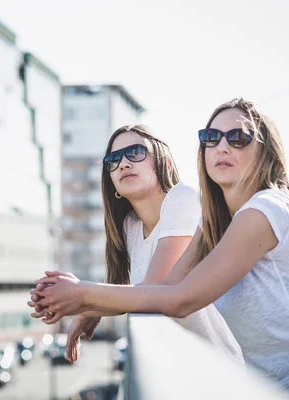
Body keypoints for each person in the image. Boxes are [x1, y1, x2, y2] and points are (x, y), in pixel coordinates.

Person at [29, 99, 289, 399]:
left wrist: (83, 295)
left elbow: (181, 300)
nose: (222, 147)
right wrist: (89, 304)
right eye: (211, 138)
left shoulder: (265, 209)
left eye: (238, 138)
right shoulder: (213, 224)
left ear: (264, 151)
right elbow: (166, 290)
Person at [32, 124, 243, 364]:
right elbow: (140, 294)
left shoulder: (182, 199)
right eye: (113, 160)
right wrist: (86, 306)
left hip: (218, 370)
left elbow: (156, 292)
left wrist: (84, 299)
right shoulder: (130, 227)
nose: (123, 164)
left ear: (166, 163)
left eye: (135, 153)